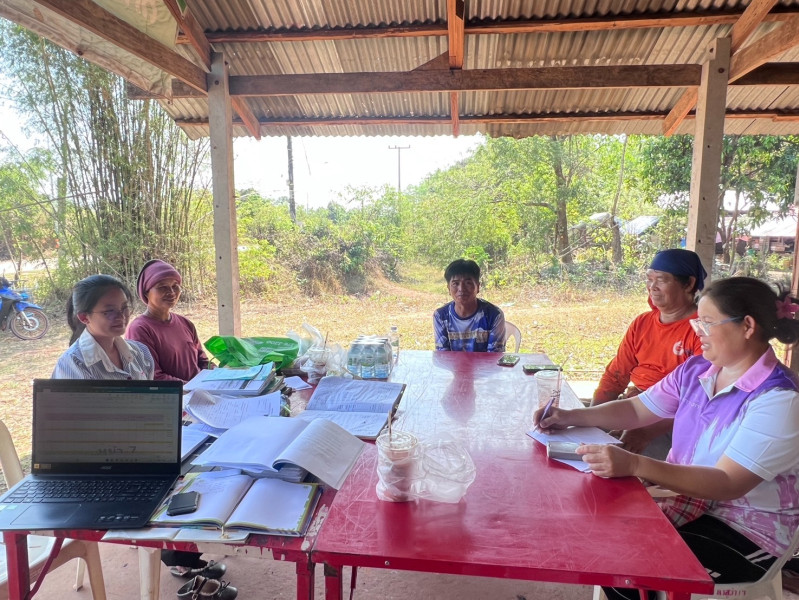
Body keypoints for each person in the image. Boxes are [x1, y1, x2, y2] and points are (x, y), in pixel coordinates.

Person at [535, 276, 799, 600]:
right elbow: (637, 409)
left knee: (625, 561)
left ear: (747, 326)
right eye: (698, 321)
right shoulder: (698, 370)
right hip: (684, 498)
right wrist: (569, 416)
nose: (697, 331)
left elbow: (728, 483)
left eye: (707, 322)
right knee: (598, 533)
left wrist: (635, 464)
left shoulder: (778, 399)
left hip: (745, 530)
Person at [52, 274, 235, 600]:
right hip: (98, 466)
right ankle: (180, 560)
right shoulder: (74, 365)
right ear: (84, 317)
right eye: (109, 311)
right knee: (176, 483)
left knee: (209, 467)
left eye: (124, 308)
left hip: (143, 449)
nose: (120, 316)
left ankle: (185, 556)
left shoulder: (138, 354)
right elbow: (80, 435)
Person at [592, 249, 706, 457]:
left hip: (672, 421)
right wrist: (591, 420)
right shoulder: (642, 323)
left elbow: (696, 400)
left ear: (689, 284)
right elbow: (615, 376)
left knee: (616, 459)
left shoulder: (702, 330)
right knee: (577, 436)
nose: (652, 287)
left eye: (661, 280)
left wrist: (644, 432)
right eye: (649, 279)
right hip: (635, 407)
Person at [126, 259, 210, 382]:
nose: (171, 292)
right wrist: (191, 387)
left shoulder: (185, 323)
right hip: (176, 394)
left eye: (175, 286)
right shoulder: (139, 329)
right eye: (162, 287)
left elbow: (203, 362)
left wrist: (218, 375)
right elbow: (153, 376)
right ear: (146, 292)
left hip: (199, 390)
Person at [433, 259, 506, 352]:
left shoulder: (494, 315)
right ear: (448, 288)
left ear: (478, 287)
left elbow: (494, 356)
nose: (461, 289)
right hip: (452, 362)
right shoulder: (441, 316)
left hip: (485, 362)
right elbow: (443, 355)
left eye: (468, 283)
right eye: (455, 283)